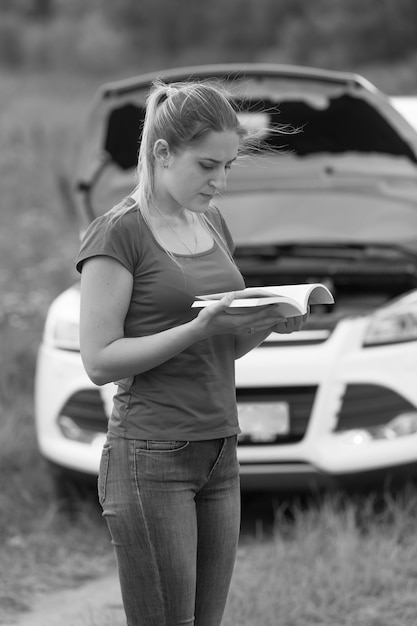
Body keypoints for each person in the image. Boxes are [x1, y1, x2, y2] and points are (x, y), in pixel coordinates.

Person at [76, 78, 307, 626]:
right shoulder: (117, 235)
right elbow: (99, 362)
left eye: (228, 166)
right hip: (150, 456)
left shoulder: (212, 224)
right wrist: (197, 330)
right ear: (162, 152)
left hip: (219, 449)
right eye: (207, 166)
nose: (220, 181)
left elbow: (219, 343)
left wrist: (269, 322)